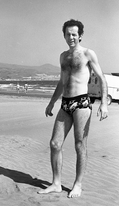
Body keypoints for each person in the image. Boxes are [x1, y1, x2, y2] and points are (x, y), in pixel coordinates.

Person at [38, 19, 108, 198]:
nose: (71, 37)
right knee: (55, 144)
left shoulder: (87, 54)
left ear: (80, 36)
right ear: (64, 35)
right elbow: (62, 82)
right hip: (65, 103)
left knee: (79, 145)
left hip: (82, 103)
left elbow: (101, 78)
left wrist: (104, 103)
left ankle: (78, 184)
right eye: (68, 34)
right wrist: (52, 102)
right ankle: (56, 183)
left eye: (74, 34)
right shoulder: (63, 56)